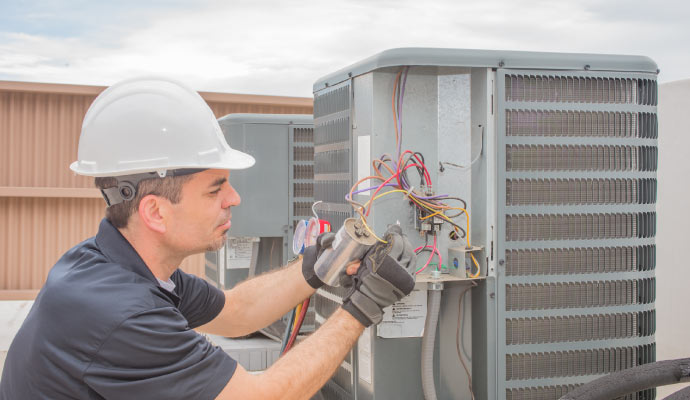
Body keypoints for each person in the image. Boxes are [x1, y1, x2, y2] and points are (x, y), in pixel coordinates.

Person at [0, 77, 416, 400]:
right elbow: (261, 396)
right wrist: (363, 306)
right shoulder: (121, 314)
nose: (233, 199)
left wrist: (315, 267)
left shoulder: (113, 265)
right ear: (155, 213)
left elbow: (234, 311)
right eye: (216, 189)